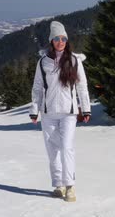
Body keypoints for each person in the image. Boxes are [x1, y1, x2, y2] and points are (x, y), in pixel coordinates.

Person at [29, 21, 91, 202]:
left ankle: (70, 186)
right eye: (57, 38)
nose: (60, 41)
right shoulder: (43, 63)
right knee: (52, 150)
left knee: (66, 147)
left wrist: (85, 108)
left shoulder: (74, 61)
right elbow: (37, 88)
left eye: (63, 38)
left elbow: (82, 87)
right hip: (48, 113)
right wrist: (35, 110)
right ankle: (58, 185)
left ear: (67, 40)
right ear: (51, 41)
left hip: (68, 113)